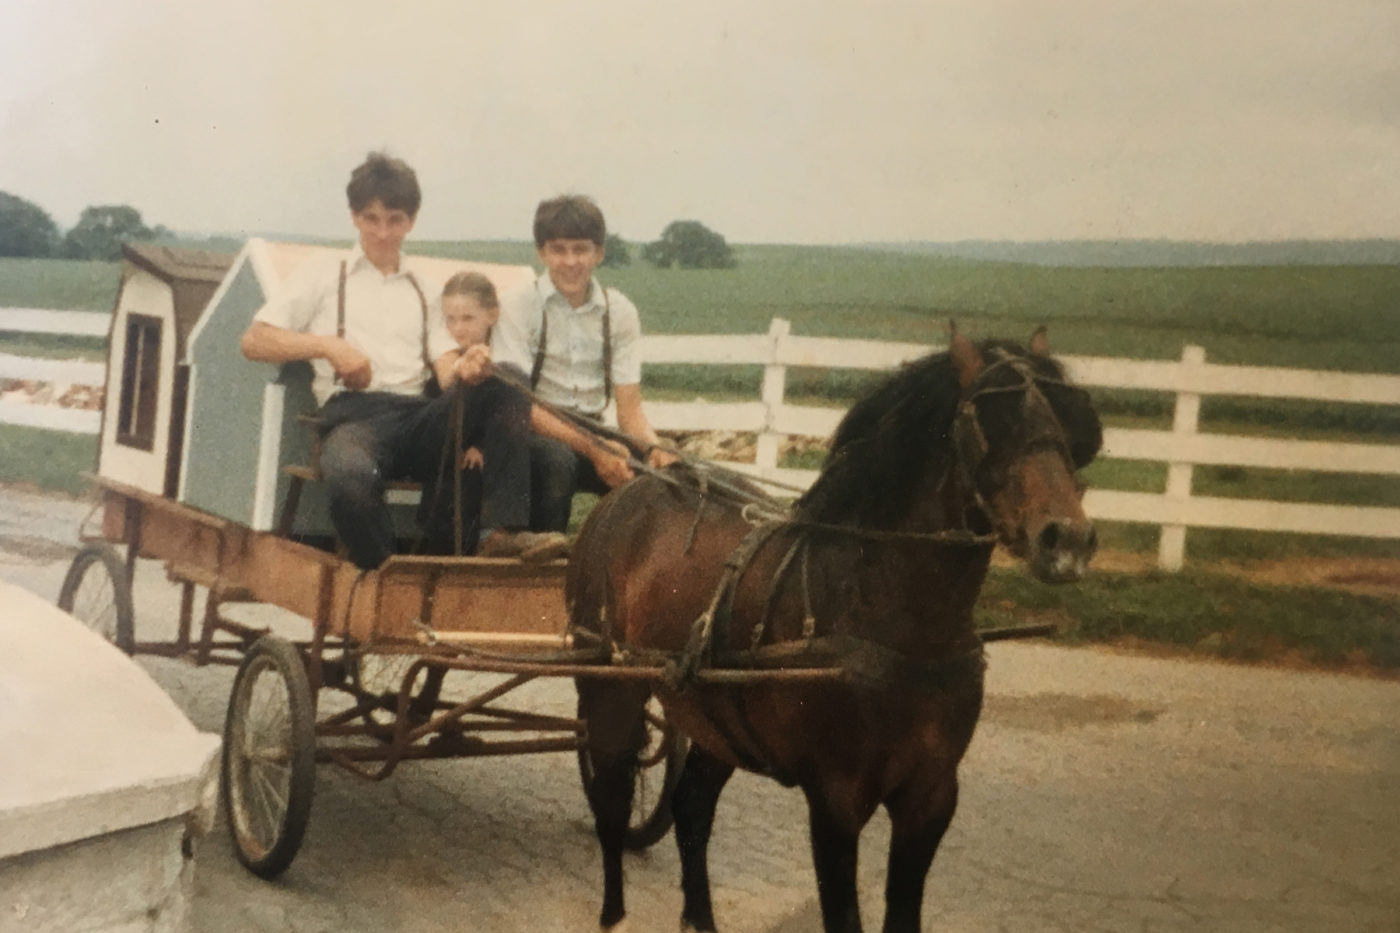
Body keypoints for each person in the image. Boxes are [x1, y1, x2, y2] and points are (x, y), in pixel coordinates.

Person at [239, 152, 568, 568]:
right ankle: (388, 578)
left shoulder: (426, 289)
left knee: (506, 377)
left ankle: (498, 533)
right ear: (354, 217)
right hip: (355, 418)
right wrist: (328, 346)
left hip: (418, 419)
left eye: (394, 220)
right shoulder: (324, 273)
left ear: (410, 222)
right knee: (350, 476)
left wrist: (469, 371)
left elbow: (446, 369)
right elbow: (254, 341)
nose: (382, 232)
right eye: (371, 219)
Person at [493, 195, 678, 533]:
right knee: (557, 462)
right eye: (558, 249)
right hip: (537, 427)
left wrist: (656, 447)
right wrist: (594, 449)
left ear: (599, 253)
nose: (570, 261)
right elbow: (519, 404)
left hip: (596, 427)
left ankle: (625, 572)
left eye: (580, 249)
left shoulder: (619, 311)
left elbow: (630, 412)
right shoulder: (518, 305)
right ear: (541, 252)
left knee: (658, 471)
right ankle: (544, 562)